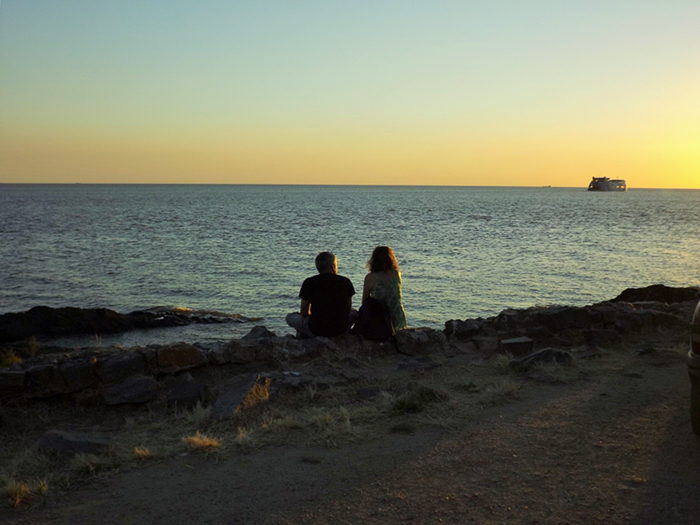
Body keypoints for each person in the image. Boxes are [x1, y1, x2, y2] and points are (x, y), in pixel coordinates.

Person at [286, 252, 357, 338]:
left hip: (316, 329)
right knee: (355, 312)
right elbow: (347, 310)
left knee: (290, 317)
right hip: (340, 329)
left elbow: (304, 313)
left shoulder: (309, 282)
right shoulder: (345, 282)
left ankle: (303, 336)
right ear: (333, 266)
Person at [361, 246, 407, 330]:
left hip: (380, 317)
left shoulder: (370, 277)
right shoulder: (396, 274)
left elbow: (364, 302)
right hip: (397, 317)